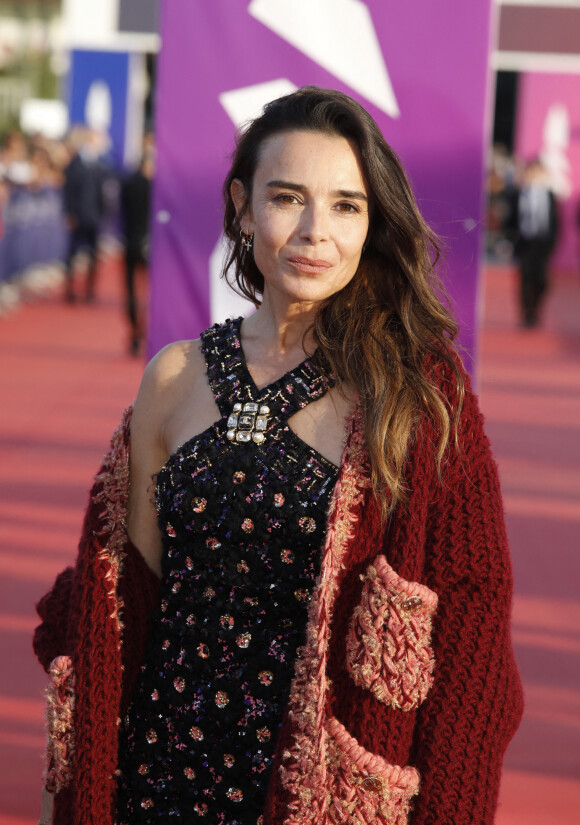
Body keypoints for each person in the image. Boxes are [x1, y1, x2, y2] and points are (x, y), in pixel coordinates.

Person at [33, 87, 523, 825]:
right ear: (241, 205)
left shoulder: (420, 399)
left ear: (372, 221)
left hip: (318, 797)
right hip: (156, 785)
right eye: (288, 197)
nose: (315, 231)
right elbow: (115, 612)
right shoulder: (174, 377)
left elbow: (472, 655)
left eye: (347, 206)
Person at [62, 127, 107, 303]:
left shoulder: (99, 166)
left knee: (93, 255)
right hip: (77, 216)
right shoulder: (74, 165)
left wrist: (102, 214)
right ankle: (70, 290)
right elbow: (68, 191)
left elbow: (103, 193)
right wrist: (69, 213)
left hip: (94, 216)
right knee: (72, 254)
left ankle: (89, 291)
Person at [513, 158, 559, 327]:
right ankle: (528, 313)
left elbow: (555, 222)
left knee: (542, 280)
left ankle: (536, 306)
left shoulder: (550, 195)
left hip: (543, 244)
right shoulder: (519, 194)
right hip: (525, 243)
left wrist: (552, 243)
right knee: (525, 278)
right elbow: (512, 219)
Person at [120, 147, 154, 355]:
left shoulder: (129, 183)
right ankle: (148, 331)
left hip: (131, 242)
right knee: (151, 291)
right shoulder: (156, 187)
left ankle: (135, 332)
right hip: (152, 245)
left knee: (132, 289)